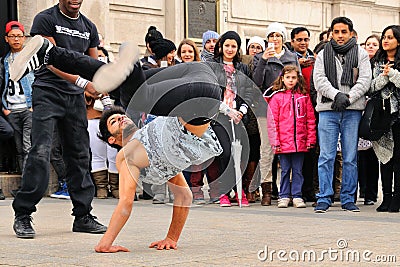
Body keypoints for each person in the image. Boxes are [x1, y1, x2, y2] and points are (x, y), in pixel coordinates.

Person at [10, 0, 107, 239]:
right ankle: (23, 214)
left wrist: (100, 85)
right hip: (48, 92)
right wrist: (82, 82)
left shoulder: (89, 27)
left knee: (80, 154)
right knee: (40, 150)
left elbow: (92, 64)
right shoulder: (46, 19)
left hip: (74, 99)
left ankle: (83, 215)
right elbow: (50, 59)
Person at [313, 17, 372, 213]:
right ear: (331, 33)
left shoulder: (361, 53)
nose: (339, 36)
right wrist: (336, 95)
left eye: (343, 32)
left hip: (352, 110)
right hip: (328, 110)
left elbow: (365, 80)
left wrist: (348, 97)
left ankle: (348, 198)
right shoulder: (322, 54)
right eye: (336, 32)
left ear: (351, 33)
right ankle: (324, 197)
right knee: (326, 156)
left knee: (349, 157)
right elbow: (319, 80)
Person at [253, 22, 300, 206]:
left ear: (283, 38)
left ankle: (288, 192)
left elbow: (298, 82)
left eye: (278, 36)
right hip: (266, 109)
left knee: (288, 148)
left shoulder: (291, 56)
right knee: (266, 149)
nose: (275, 39)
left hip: (287, 110)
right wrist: (264, 59)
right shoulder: (259, 57)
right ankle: (267, 190)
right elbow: (256, 81)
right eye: (271, 36)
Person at [208, 31, 255, 207]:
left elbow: (248, 92)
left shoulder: (243, 68)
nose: (229, 49)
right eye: (227, 45)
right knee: (226, 154)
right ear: (221, 46)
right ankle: (224, 192)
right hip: (220, 116)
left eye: (233, 46)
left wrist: (241, 110)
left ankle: (239, 189)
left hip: (239, 116)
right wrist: (227, 110)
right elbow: (210, 92)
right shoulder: (212, 67)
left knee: (240, 154)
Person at [265, 65, 316, 208]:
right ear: (282, 79)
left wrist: (310, 139)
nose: (291, 80)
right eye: (288, 77)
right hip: (283, 143)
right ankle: (284, 195)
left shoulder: (304, 97)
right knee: (285, 170)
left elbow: (310, 120)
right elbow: (272, 121)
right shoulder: (276, 97)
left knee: (298, 170)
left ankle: (297, 195)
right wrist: (275, 141)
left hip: (300, 142)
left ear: (298, 79)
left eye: (294, 77)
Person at [369, 25, 400, 212]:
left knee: (398, 158)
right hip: (382, 116)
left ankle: (397, 198)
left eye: (390, 37)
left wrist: (393, 74)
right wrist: (383, 76)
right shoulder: (376, 61)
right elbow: (371, 87)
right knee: (385, 157)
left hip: (399, 116)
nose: (385, 40)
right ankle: (386, 197)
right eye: (384, 37)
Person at [1, 21, 33, 174]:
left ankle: (28, 184)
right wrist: (4, 108)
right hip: (12, 110)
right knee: (19, 149)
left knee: (27, 146)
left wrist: (33, 105)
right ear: (6, 38)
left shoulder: (32, 59)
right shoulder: (3, 62)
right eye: (12, 36)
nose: (16, 39)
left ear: (24, 38)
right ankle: (24, 183)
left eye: (19, 36)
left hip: (28, 109)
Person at [357, 34, 381, 206]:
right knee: (360, 154)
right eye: (368, 44)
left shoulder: (381, 65)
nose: (370, 47)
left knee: (373, 154)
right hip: (359, 110)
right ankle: (362, 189)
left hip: (375, 111)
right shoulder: (359, 63)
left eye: (374, 44)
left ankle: (371, 193)